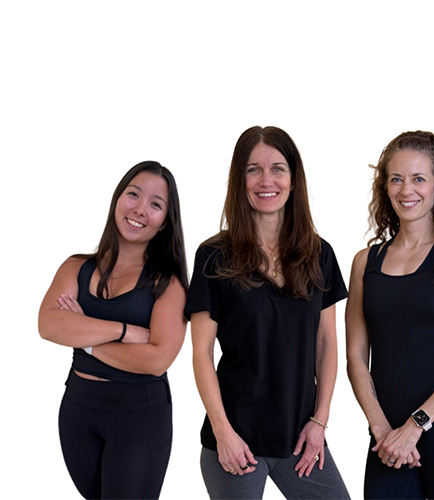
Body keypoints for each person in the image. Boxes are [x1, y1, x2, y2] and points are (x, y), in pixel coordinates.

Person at [187, 126, 350, 499]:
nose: (266, 180)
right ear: (239, 180)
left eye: (277, 169)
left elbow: (326, 345)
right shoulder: (213, 256)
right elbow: (201, 353)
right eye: (253, 170)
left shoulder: (320, 255)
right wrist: (223, 432)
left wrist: (320, 422)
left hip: (301, 439)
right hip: (236, 441)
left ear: (293, 179)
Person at [345, 130, 434, 499]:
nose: (406, 189)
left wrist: (415, 425)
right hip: (388, 435)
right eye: (396, 178)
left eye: (418, 179)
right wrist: (382, 430)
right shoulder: (366, 262)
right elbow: (356, 356)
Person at [39, 161, 188, 499]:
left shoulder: (168, 284)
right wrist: (124, 331)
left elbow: (156, 360)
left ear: (165, 222)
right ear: (117, 198)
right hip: (77, 410)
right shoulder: (75, 267)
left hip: (137, 418)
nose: (140, 209)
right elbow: (48, 325)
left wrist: (85, 339)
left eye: (155, 204)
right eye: (133, 194)